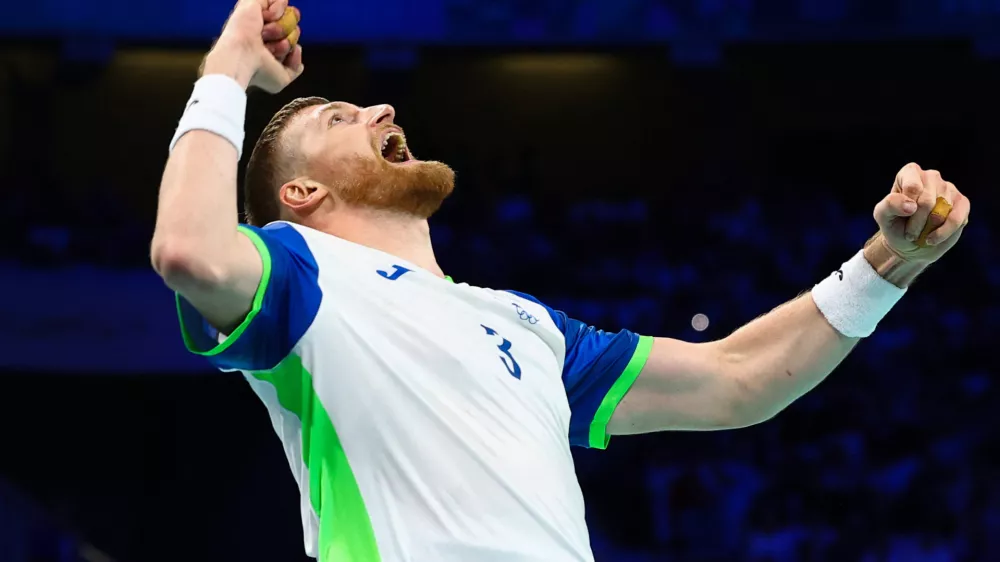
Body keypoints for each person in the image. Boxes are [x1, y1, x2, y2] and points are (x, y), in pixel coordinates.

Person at [150, 0, 972, 560]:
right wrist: (226, 67)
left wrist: (891, 263)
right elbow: (188, 250)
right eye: (340, 119)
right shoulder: (300, 275)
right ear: (301, 197)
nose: (382, 113)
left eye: (366, 108)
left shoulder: (525, 324)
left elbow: (735, 380)